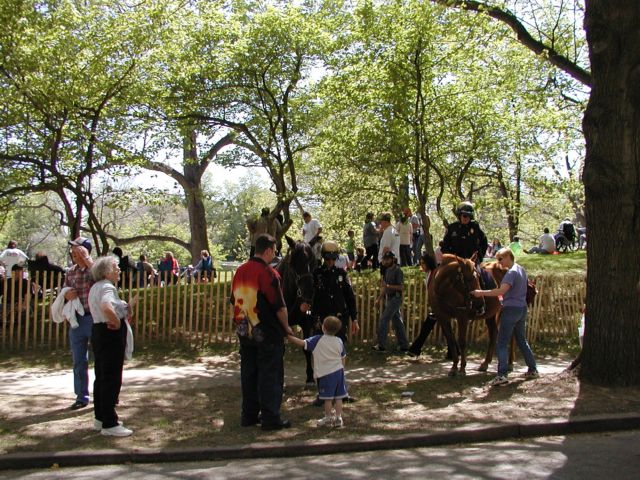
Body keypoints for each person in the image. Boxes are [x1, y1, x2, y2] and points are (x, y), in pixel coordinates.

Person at [230, 233, 293, 431]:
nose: (275, 255)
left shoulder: (239, 271)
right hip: (267, 332)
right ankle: (270, 418)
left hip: (244, 330)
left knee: (249, 374)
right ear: (267, 250)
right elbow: (279, 306)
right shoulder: (268, 273)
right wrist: (287, 327)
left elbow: (233, 299)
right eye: (274, 251)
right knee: (270, 375)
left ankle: (248, 415)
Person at [471, 247, 538, 386]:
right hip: (521, 308)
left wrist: (481, 292)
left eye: (500, 259)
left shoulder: (511, 273)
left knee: (501, 343)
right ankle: (533, 369)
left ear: (508, 256)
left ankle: (502, 374)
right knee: (521, 340)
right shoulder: (521, 269)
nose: (499, 262)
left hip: (511, 310)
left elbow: (501, 291)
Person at [89, 255, 133, 436]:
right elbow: (106, 306)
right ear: (107, 272)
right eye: (116, 267)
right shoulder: (107, 287)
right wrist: (115, 321)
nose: (119, 270)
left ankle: (100, 417)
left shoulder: (95, 287)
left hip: (98, 332)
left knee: (101, 376)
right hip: (109, 334)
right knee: (112, 377)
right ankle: (109, 423)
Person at [287, 316, 348, 428]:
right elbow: (343, 357)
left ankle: (328, 417)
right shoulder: (339, 341)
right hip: (339, 372)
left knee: (328, 398)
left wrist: (289, 336)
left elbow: (302, 343)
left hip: (326, 373)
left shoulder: (317, 340)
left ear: (323, 327)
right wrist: (342, 369)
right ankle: (339, 417)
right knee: (339, 397)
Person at [62, 237, 95, 410]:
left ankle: (104, 393)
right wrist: (66, 295)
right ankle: (81, 396)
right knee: (79, 360)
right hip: (76, 320)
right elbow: (64, 291)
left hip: (94, 319)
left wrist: (88, 260)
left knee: (102, 359)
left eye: (78, 250)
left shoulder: (94, 269)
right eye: (73, 251)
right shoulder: (70, 272)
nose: (74, 254)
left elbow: (105, 280)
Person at [311, 241, 359, 347]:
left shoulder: (341, 274)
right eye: (328, 258)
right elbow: (310, 296)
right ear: (323, 257)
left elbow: (350, 297)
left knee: (338, 349)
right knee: (320, 349)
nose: (330, 261)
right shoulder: (316, 274)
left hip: (339, 318)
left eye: (333, 258)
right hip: (321, 318)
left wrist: (354, 318)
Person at [372, 251, 409, 352]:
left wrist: (388, 286)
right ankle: (404, 346)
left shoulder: (398, 271)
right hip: (389, 298)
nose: (385, 261)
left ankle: (381, 346)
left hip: (396, 298)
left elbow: (401, 287)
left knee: (384, 320)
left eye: (387, 259)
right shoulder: (387, 271)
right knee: (397, 322)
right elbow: (385, 288)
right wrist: (379, 298)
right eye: (384, 259)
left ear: (393, 259)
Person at [407, 253, 439, 357]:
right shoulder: (428, 274)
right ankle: (454, 352)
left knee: (426, 327)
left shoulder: (435, 273)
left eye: (423, 263)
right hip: (436, 306)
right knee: (445, 329)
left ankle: (415, 349)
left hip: (439, 306)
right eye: (420, 263)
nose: (421, 266)